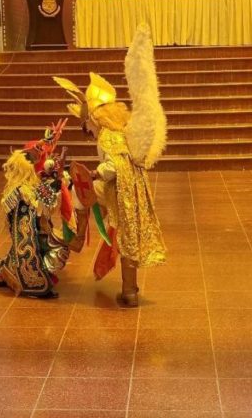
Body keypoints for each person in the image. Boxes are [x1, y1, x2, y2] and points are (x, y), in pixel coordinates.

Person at [54, 23, 166, 308]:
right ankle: (130, 290)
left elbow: (114, 165)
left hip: (121, 190)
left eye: (85, 122)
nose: (86, 128)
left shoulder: (107, 136)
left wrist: (93, 173)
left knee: (80, 197)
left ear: (94, 117)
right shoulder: (117, 130)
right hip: (130, 190)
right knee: (127, 236)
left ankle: (77, 237)